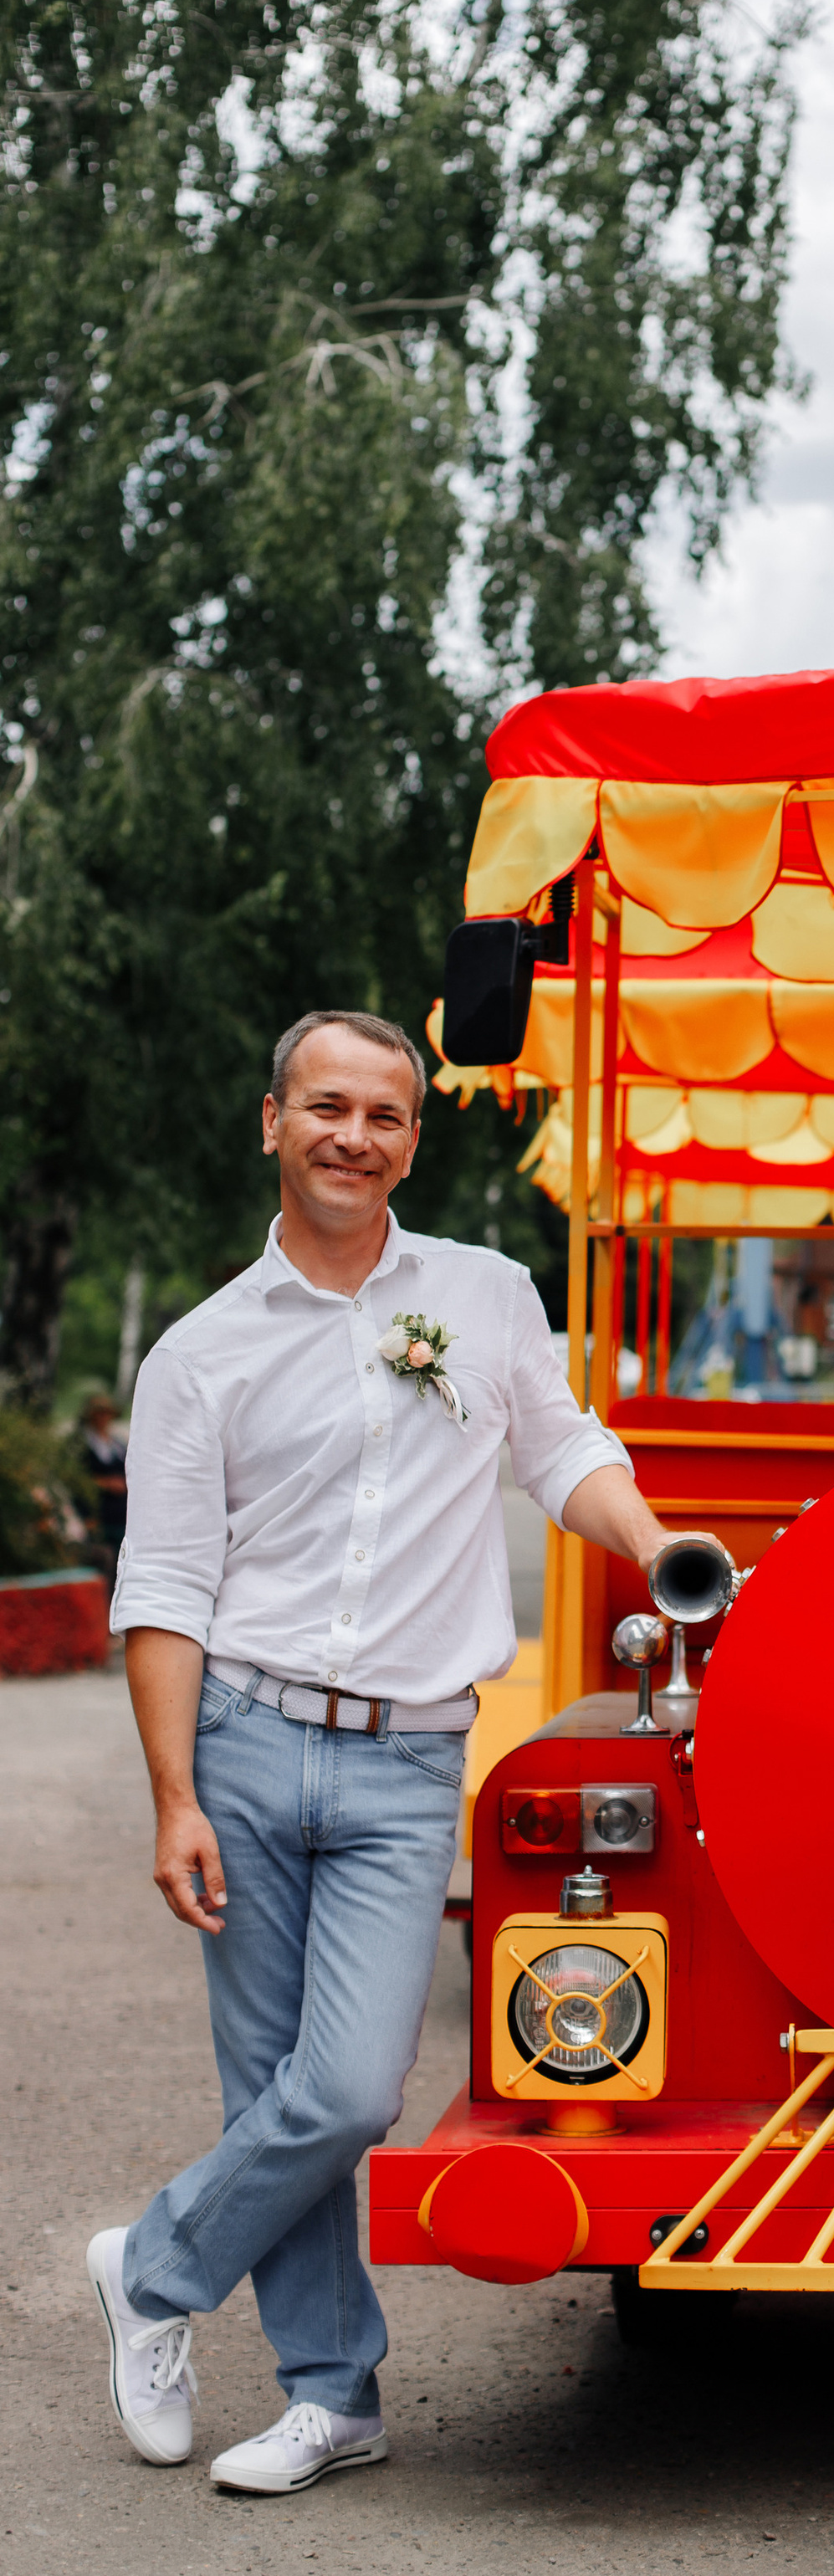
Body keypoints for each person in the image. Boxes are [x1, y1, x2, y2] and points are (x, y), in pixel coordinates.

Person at [91, 1008, 677, 2497]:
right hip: (240, 1737)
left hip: (408, 1762)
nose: (358, 1135)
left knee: (349, 2088)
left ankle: (152, 2269)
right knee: (269, 2090)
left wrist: (657, 1542)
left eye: (388, 1115)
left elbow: (560, 1450)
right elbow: (162, 1589)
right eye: (328, 1108)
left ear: (416, 1137)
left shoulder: (481, 1295)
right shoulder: (200, 1352)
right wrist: (174, 1799)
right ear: (272, 1121)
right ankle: (332, 2395)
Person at [76, 1390, 129, 1584]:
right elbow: (75, 1478)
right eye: (99, 1413)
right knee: (101, 1564)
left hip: (121, 1514)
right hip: (97, 1513)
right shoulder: (81, 1444)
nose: (104, 1418)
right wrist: (105, 1483)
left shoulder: (117, 1443)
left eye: (107, 1413)